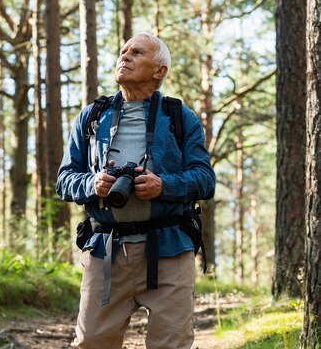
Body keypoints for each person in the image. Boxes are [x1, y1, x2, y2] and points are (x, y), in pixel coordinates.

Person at [56, 33, 215, 349]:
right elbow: (64, 180)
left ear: (159, 71)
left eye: (137, 52)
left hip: (169, 248)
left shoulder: (179, 117)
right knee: (91, 342)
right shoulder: (91, 117)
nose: (124, 56)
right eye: (123, 51)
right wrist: (92, 184)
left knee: (172, 343)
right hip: (106, 251)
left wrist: (162, 185)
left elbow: (204, 179)